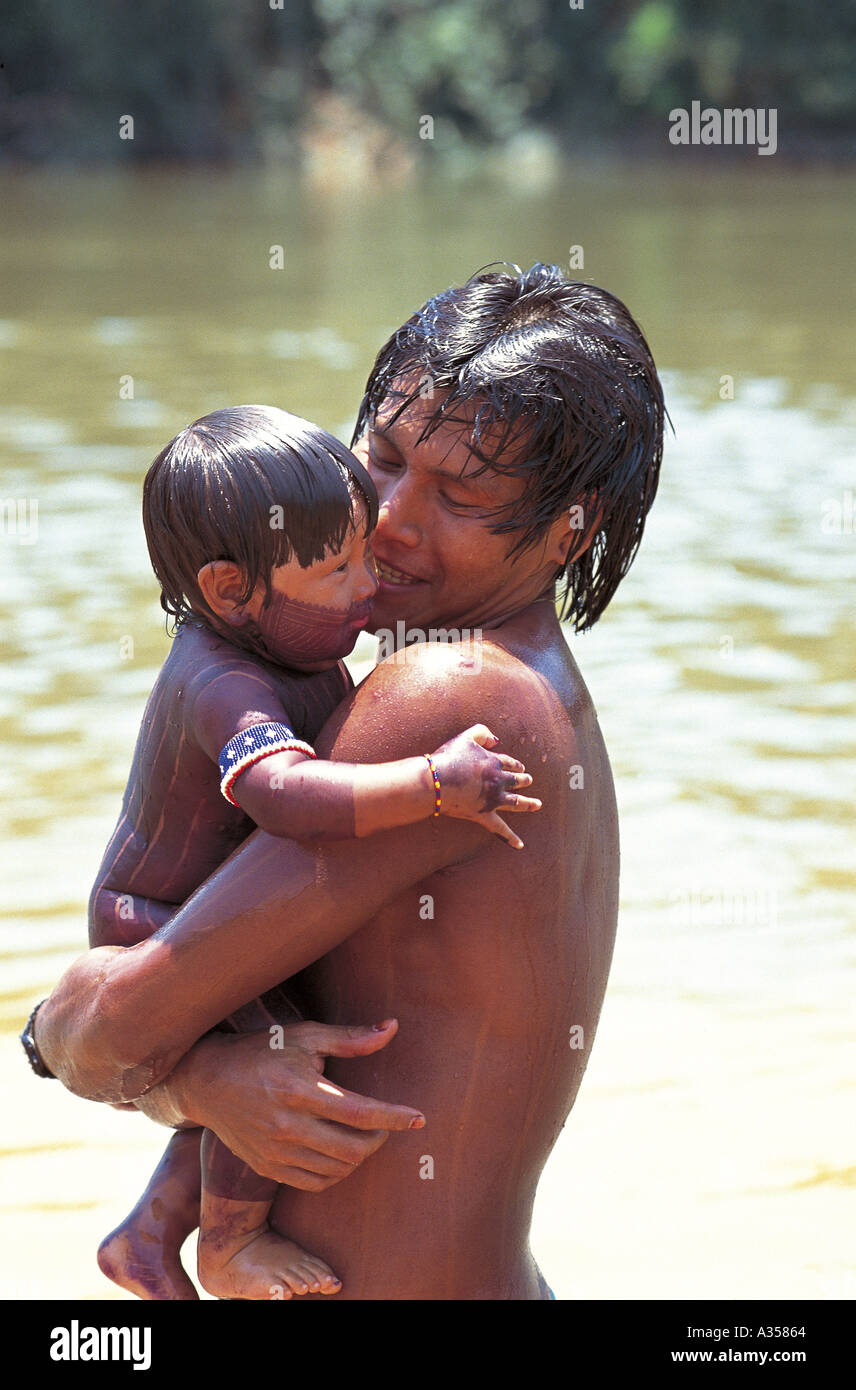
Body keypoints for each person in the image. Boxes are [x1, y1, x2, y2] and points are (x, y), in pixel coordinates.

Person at [27, 263, 666, 1300]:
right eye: (380, 456)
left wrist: (72, 1035)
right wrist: (200, 1081)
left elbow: (110, 1034)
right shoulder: (536, 692)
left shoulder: (447, 700)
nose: (392, 521)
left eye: (458, 497)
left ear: (571, 530)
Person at [83, 404, 539, 1301]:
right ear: (229, 592)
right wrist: (429, 784)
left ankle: (147, 1234)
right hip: (153, 919)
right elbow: (284, 797)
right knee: (277, 1066)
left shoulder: (287, 637)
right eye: (338, 571)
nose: (369, 586)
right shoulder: (225, 681)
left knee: (245, 1067)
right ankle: (228, 1241)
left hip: (199, 905)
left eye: (366, 555)